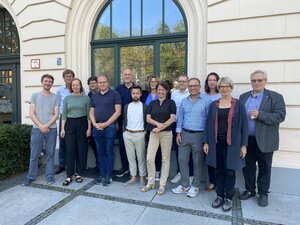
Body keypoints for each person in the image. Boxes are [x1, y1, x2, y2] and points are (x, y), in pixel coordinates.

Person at [239, 70, 286, 207]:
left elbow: (280, 116)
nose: (256, 83)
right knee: (247, 167)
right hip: (247, 140)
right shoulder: (243, 97)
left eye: (259, 80)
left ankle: (263, 193)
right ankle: (250, 190)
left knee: (265, 168)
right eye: (254, 80)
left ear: (265, 81)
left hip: (265, 139)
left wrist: (260, 114)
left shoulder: (275, 97)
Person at [203, 77, 248, 212]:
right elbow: (208, 124)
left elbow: (244, 126)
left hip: (232, 145)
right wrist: (206, 142)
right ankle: (219, 196)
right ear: (219, 88)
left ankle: (229, 198)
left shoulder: (238, 105)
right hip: (216, 143)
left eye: (227, 86)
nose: (224, 89)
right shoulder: (214, 105)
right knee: (218, 170)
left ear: (231, 88)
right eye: (222, 86)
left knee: (230, 171)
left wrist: (243, 145)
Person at [172, 78, 210, 198]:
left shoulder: (206, 101)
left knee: (197, 162)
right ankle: (184, 185)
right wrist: (178, 133)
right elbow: (180, 118)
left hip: (199, 135)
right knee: (182, 160)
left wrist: (206, 140)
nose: (193, 88)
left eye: (195, 86)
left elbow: (210, 122)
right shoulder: (184, 101)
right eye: (191, 86)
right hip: (185, 134)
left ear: (199, 87)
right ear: (188, 87)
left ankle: (195, 186)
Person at [21, 74, 59, 186]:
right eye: (46, 81)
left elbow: (56, 114)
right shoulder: (35, 96)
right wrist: (41, 126)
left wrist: (46, 125)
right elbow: (31, 113)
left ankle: (49, 176)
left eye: (50, 81)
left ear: (52, 83)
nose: (48, 83)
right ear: (42, 82)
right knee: (34, 154)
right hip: (37, 129)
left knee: (50, 154)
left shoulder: (55, 97)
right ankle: (31, 176)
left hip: (51, 129)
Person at [141, 81, 176, 195]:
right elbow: (148, 118)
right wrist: (157, 125)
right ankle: (151, 182)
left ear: (167, 91)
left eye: (163, 90)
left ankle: (162, 184)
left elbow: (172, 118)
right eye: (159, 89)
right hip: (154, 133)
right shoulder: (152, 103)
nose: (160, 91)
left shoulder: (171, 103)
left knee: (165, 159)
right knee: (149, 158)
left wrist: (161, 128)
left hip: (166, 134)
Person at [90, 75, 121, 186]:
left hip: (109, 126)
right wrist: (94, 124)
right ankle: (102, 174)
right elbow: (91, 111)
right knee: (99, 152)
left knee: (108, 151)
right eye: (100, 82)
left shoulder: (115, 94)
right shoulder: (94, 96)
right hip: (97, 126)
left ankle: (108, 175)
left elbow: (118, 112)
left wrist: (105, 124)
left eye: (104, 82)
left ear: (108, 82)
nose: (102, 84)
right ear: (97, 83)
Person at [60, 78, 91, 186]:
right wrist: (62, 129)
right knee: (70, 149)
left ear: (80, 86)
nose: (75, 87)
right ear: (71, 87)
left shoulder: (86, 98)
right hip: (69, 124)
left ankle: (79, 173)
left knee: (81, 149)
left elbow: (89, 115)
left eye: (77, 85)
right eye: (73, 85)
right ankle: (69, 175)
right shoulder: (67, 98)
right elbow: (64, 114)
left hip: (82, 123)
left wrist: (89, 128)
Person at [123, 85, 147, 187]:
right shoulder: (127, 106)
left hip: (140, 134)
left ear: (140, 94)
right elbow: (124, 119)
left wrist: (145, 132)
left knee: (141, 157)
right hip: (128, 133)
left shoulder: (145, 106)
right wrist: (124, 132)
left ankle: (142, 177)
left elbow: (148, 120)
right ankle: (133, 177)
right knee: (131, 157)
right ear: (131, 94)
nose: (135, 95)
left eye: (137, 93)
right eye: (133, 93)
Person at [201, 72, 221, 192]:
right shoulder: (203, 96)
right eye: (210, 80)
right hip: (206, 129)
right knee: (209, 157)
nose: (212, 82)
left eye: (214, 80)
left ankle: (219, 181)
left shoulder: (221, 95)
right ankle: (212, 181)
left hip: (219, 130)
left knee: (219, 158)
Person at [170, 74, 190, 184]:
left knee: (188, 151)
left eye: (184, 81)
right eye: (180, 81)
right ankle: (179, 172)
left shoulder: (190, 93)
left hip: (186, 126)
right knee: (178, 150)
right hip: (175, 124)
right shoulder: (173, 93)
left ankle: (189, 174)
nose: (181, 83)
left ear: (187, 82)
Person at [55, 69, 75, 175]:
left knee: (73, 142)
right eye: (66, 76)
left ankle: (72, 165)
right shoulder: (59, 90)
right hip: (64, 118)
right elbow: (57, 105)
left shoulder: (77, 88)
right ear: (64, 78)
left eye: (70, 76)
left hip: (76, 118)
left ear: (73, 77)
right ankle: (62, 165)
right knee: (62, 142)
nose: (68, 78)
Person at [115, 68, 134, 177]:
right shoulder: (118, 89)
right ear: (123, 76)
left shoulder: (137, 89)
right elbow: (115, 106)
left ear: (132, 75)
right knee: (122, 145)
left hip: (135, 122)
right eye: (125, 74)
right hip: (121, 122)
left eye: (129, 74)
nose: (127, 76)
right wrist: (116, 122)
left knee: (134, 146)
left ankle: (133, 169)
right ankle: (124, 167)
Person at [142, 75, 161, 181]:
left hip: (159, 126)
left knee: (158, 151)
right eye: (151, 82)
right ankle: (150, 172)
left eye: (155, 81)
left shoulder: (163, 94)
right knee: (149, 151)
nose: (153, 83)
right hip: (147, 127)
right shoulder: (145, 96)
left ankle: (157, 172)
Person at [87, 76, 99, 171]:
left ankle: (101, 166)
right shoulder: (89, 95)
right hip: (91, 124)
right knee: (94, 146)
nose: (92, 85)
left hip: (100, 123)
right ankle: (98, 164)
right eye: (91, 83)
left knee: (101, 147)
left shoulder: (101, 94)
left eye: (94, 83)